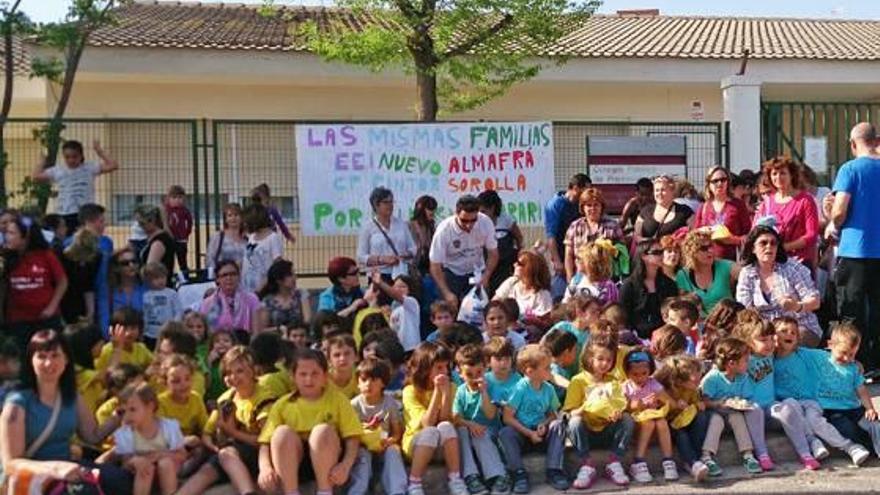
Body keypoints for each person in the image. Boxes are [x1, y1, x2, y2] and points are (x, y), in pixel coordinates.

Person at [0, 330, 132, 494]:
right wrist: (55, 468)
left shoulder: (72, 396)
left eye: (55, 355)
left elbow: (92, 435)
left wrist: (118, 416)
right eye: (41, 356)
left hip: (68, 468)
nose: (49, 363)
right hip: (33, 475)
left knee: (122, 480)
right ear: (31, 361)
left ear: (66, 359)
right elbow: (11, 464)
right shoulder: (17, 403)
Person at [257, 348, 362, 495]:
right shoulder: (282, 405)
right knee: (281, 433)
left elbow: (353, 438)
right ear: (293, 377)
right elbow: (265, 442)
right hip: (293, 465)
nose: (309, 380)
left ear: (325, 376)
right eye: (303, 374)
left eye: (315, 374)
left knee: (322, 431)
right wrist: (265, 467)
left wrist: (345, 465)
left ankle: (325, 492)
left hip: (328, 465)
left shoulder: (338, 400)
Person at [773, 317, 871, 465]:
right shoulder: (769, 359)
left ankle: (851, 447)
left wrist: (855, 362)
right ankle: (814, 443)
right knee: (795, 412)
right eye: (784, 331)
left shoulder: (804, 354)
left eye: (793, 332)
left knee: (815, 419)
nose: (789, 334)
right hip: (789, 404)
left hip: (812, 401)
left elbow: (834, 356)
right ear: (774, 335)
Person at [733, 319, 818, 471]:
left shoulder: (771, 355)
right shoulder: (744, 360)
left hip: (770, 408)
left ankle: (805, 453)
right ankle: (762, 454)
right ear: (749, 341)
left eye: (772, 339)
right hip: (750, 412)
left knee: (787, 408)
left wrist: (854, 363)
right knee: (755, 409)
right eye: (763, 340)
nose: (770, 344)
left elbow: (804, 351)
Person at [830, 122, 880, 370]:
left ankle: (852, 363)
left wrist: (833, 224)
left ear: (852, 144)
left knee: (851, 311)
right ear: (877, 141)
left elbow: (839, 210)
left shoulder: (849, 169)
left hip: (855, 250)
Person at [562, 339, 634, 489]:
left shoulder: (612, 380)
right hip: (586, 433)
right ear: (589, 358)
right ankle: (587, 465)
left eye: (609, 360)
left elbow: (620, 405)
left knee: (627, 419)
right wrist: (586, 406)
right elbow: (570, 413)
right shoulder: (578, 381)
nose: (605, 363)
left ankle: (614, 462)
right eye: (600, 359)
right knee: (574, 422)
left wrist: (618, 413)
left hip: (607, 431)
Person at [736, 225, 823, 347]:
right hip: (765, 331)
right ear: (753, 248)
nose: (769, 247)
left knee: (784, 344)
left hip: (799, 326)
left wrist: (796, 306)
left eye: (773, 243)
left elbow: (815, 302)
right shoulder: (746, 273)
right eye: (763, 243)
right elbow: (744, 309)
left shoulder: (793, 268)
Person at [499, 344, 569, 492]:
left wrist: (544, 423)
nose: (551, 371)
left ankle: (554, 470)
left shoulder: (548, 389)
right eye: (547, 368)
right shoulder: (520, 388)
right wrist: (529, 433)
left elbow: (552, 414)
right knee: (506, 433)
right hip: (523, 435)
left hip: (541, 434)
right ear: (530, 371)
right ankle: (518, 473)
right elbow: (507, 417)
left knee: (558, 425)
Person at [400, 342, 468, 495]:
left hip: (442, 448)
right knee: (431, 432)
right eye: (439, 367)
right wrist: (438, 392)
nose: (444, 371)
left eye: (446, 367)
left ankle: (455, 479)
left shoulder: (452, 387)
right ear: (424, 369)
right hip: (417, 447)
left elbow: (446, 420)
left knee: (445, 426)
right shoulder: (410, 391)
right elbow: (427, 423)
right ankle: (414, 483)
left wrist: (445, 393)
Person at [451, 344, 512, 494]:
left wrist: (484, 392)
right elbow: (456, 417)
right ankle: (471, 476)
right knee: (462, 430)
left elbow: (491, 414)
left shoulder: (491, 387)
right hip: (471, 431)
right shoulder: (460, 391)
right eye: (469, 374)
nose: (475, 378)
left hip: (490, 432)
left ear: (485, 368)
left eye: (479, 372)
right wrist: (470, 424)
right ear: (460, 373)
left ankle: (499, 475)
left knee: (480, 434)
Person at [814, 323, 880, 457]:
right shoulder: (820, 358)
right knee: (848, 429)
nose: (847, 358)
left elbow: (861, 390)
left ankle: (875, 447)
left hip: (854, 408)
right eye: (843, 353)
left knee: (874, 424)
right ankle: (869, 447)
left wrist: (869, 408)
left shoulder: (853, 368)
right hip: (832, 410)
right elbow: (799, 351)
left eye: (852, 354)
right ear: (830, 344)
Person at [700, 337, 764, 474]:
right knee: (716, 421)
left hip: (732, 411)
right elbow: (704, 401)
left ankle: (748, 455)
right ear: (732, 363)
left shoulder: (742, 377)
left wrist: (741, 403)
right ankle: (706, 456)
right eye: (745, 360)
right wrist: (718, 403)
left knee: (737, 418)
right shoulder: (713, 378)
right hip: (714, 411)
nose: (748, 363)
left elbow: (745, 398)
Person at [3, 215, 68, 349]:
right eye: (6, 233)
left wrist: (51, 307)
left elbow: (62, 281)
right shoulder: (6, 257)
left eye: (11, 233)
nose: (7, 237)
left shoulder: (45, 255)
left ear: (25, 235)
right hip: (18, 321)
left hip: (45, 319)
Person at [347, 357, 407, 495]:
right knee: (362, 456)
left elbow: (397, 432)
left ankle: (397, 490)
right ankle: (357, 491)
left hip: (384, 444)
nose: (368, 384)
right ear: (357, 382)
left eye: (373, 380)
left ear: (383, 383)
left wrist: (390, 441)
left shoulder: (389, 402)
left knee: (393, 452)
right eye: (364, 380)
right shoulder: (354, 405)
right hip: (363, 445)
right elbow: (350, 432)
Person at [31, 140, 119, 233]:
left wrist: (99, 151)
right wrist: (42, 162)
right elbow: (36, 176)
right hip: (65, 213)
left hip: (85, 213)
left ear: (81, 156)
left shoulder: (89, 168)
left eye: (74, 156)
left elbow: (113, 165)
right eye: (67, 157)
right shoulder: (58, 170)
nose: (71, 160)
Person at [112, 382, 186, 495]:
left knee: (165, 463)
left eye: (132, 410)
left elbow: (182, 455)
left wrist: (160, 455)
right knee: (144, 467)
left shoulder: (168, 427)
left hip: (168, 474)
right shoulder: (126, 432)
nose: (127, 416)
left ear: (150, 407)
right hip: (140, 477)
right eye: (123, 411)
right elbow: (125, 462)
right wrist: (135, 461)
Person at [429, 195, 499, 308]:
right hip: (452, 273)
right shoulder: (444, 230)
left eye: (473, 220)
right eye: (464, 220)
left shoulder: (485, 222)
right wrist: (446, 293)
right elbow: (435, 265)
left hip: (477, 272)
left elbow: (493, 254)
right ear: (456, 214)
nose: (469, 225)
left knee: (478, 311)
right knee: (449, 310)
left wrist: (486, 276)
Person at [654, 355, 712, 481]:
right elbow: (659, 411)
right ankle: (692, 462)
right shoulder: (665, 390)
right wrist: (673, 406)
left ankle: (696, 458)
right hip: (671, 424)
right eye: (695, 381)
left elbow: (695, 403)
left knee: (702, 417)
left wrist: (698, 405)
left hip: (685, 420)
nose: (699, 382)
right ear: (679, 382)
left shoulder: (692, 389)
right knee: (681, 434)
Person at [623, 349, 677, 483]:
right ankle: (638, 461)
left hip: (655, 428)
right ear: (627, 373)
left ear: (650, 371)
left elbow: (673, 404)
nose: (640, 378)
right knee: (649, 423)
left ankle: (668, 459)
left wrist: (661, 398)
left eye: (644, 373)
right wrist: (638, 405)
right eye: (635, 374)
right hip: (637, 428)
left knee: (661, 422)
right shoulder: (625, 387)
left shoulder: (653, 384)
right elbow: (624, 407)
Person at [754, 156, 819, 268]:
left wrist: (785, 247)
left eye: (783, 173)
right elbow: (754, 231)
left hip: (799, 262)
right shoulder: (767, 203)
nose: (778, 177)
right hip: (772, 263)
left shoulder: (805, 200)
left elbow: (811, 235)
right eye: (774, 174)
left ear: (791, 175)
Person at [619, 239, 680, 339]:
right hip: (638, 340)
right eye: (657, 252)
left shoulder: (669, 284)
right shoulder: (629, 286)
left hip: (665, 338)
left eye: (662, 251)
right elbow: (624, 318)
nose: (662, 255)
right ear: (643, 256)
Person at [357, 187, 416, 288]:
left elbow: (413, 248)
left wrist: (405, 255)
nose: (390, 205)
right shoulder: (368, 227)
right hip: (379, 276)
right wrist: (382, 259)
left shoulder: (401, 224)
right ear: (376, 205)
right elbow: (361, 256)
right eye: (386, 202)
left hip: (400, 275)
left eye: (391, 202)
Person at [545, 173, 591, 299]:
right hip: (562, 254)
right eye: (584, 191)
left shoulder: (581, 205)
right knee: (562, 292)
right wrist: (557, 260)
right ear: (575, 188)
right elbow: (551, 235)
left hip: (581, 257)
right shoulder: (555, 205)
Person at [564, 187, 623, 281]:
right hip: (580, 277)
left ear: (601, 206)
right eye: (589, 205)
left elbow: (622, 251)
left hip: (607, 278)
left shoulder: (613, 225)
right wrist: (570, 279)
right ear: (583, 207)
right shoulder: (575, 226)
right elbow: (568, 255)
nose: (593, 208)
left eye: (596, 205)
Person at [693, 166, 751, 261]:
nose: (719, 183)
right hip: (707, 263)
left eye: (723, 180)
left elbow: (749, 236)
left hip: (732, 262)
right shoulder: (703, 207)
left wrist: (732, 240)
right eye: (715, 181)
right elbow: (695, 236)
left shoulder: (738, 205)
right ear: (709, 184)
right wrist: (705, 233)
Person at [73, 203, 114, 334]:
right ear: (88, 221)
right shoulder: (72, 243)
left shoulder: (107, 242)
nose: (104, 225)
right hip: (80, 294)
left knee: (104, 329)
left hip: (103, 291)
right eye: (101, 221)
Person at [676, 230, 738, 316]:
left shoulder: (726, 266)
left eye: (711, 246)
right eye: (704, 248)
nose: (710, 251)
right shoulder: (683, 275)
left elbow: (748, 274)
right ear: (692, 253)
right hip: (698, 325)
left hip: (728, 321)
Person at [477, 190, 523, 295]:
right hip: (488, 266)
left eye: (483, 211)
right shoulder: (478, 222)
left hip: (506, 266)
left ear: (492, 208)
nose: (480, 214)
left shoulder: (506, 219)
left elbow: (519, 238)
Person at [199, 259, 263, 333]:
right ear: (217, 279)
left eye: (233, 274)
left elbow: (257, 332)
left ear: (239, 277)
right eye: (224, 275)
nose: (229, 278)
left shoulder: (252, 300)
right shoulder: (207, 304)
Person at [492, 250, 553, 319]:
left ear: (530, 269)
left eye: (519, 263)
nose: (514, 264)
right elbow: (493, 304)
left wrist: (530, 321)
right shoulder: (511, 282)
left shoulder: (542, 295)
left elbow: (546, 323)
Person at [59, 228, 101, 324]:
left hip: (81, 302)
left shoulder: (96, 258)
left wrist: (90, 312)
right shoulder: (61, 258)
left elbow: (89, 286)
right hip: (64, 300)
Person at [635, 175, 693, 242]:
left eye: (663, 190)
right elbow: (637, 236)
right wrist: (649, 242)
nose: (659, 193)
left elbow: (693, 235)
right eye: (657, 190)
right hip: (649, 250)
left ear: (672, 191)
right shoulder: (645, 211)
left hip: (674, 250)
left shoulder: (685, 211)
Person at [241, 203, 284, 294]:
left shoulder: (273, 238)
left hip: (264, 289)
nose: (244, 224)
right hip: (247, 286)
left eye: (246, 221)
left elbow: (277, 265)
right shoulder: (252, 237)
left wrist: (262, 287)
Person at [258, 258, 311, 328]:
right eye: (290, 275)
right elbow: (263, 329)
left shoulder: (301, 294)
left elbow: (307, 320)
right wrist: (279, 330)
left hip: (298, 335)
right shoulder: (267, 301)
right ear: (279, 280)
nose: (295, 278)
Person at [141, 262, 183, 349]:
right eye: (156, 278)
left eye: (163, 277)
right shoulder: (145, 296)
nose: (161, 281)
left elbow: (178, 310)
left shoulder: (171, 293)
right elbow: (144, 313)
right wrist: (143, 329)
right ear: (148, 281)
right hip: (151, 333)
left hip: (169, 332)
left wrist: (175, 325)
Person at [134, 204, 176, 287]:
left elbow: (150, 269)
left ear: (152, 221)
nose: (140, 227)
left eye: (141, 223)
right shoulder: (155, 238)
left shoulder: (159, 242)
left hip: (158, 288)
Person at [206, 203, 247, 272]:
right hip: (223, 277)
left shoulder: (247, 238)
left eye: (236, 215)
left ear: (241, 218)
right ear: (225, 219)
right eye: (230, 215)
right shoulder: (218, 237)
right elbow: (210, 259)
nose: (233, 218)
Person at [164, 185, 193, 274]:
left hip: (181, 240)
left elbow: (190, 223)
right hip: (169, 240)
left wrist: (186, 234)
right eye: (174, 197)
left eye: (180, 197)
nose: (177, 200)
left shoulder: (184, 211)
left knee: (182, 260)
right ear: (168, 199)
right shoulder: (166, 210)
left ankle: (185, 276)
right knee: (168, 260)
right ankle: (169, 277)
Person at [109, 247, 146, 318]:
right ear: (116, 268)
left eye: (134, 261)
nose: (131, 265)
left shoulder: (148, 288)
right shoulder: (110, 292)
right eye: (125, 263)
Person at [408, 195, 438, 280]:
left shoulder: (431, 227)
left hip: (428, 268)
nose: (432, 212)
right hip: (413, 267)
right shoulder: (409, 226)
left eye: (434, 209)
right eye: (430, 209)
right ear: (421, 209)